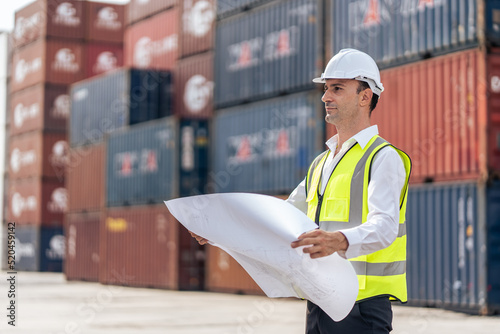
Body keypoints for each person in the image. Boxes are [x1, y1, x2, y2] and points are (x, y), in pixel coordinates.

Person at [288, 48, 411, 333]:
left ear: (364, 96)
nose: (325, 97)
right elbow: (280, 217)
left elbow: (385, 227)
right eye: (326, 88)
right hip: (319, 303)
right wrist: (222, 232)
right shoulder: (321, 163)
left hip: (361, 308)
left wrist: (339, 240)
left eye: (337, 88)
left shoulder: (383, 157)